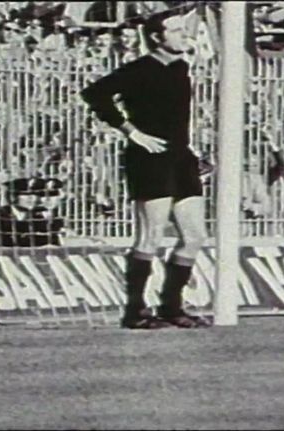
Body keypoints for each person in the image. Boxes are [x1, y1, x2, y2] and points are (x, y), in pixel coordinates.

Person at [80, 10, 211, 329]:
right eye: (175, 31)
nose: (184, 35)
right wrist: (132, 132)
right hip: (150, 158)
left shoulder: (181, 67)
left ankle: (171, 306)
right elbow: (94, 94)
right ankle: (135, 310)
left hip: (181, 156)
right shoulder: (140, 69)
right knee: (151, 235)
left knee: (195, 235)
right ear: (156, 37)